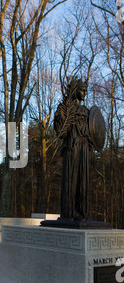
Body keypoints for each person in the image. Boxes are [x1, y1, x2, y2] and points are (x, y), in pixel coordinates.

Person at [54, 77, 91, 221]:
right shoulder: (65, 108)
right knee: (70, 178)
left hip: (84, 147)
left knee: (83, 180)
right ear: (75, 91)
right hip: (72, 146)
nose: (84, 93)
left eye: (86, 91)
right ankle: (68, 213)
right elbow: (61, 132)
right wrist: (63, 115)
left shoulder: (87, 111)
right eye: (82, 90)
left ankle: (82, 213)